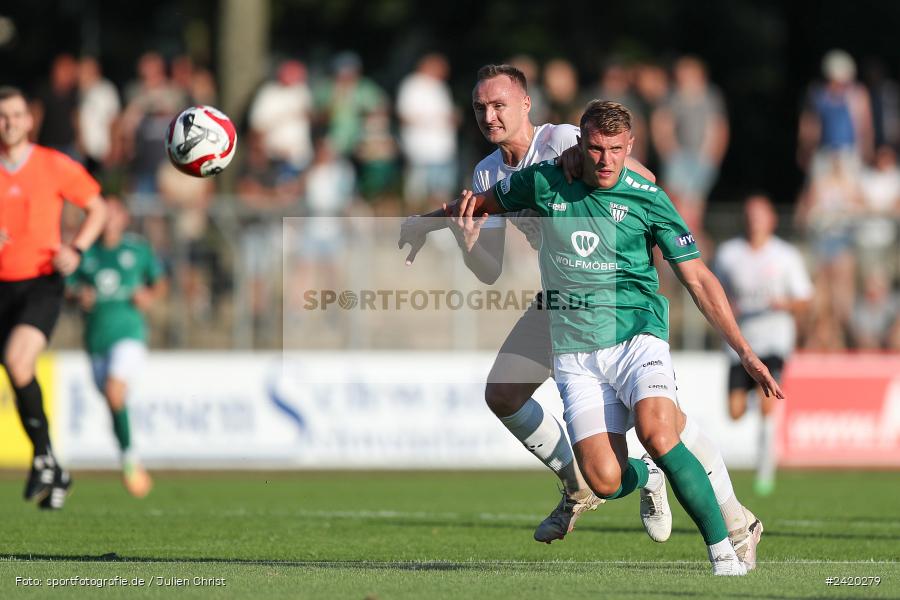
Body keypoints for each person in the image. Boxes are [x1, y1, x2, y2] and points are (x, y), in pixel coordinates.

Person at [399, 67, 764, 571]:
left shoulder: (564, 140)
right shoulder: (487, 173)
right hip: (562, 302)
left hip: (616, 300)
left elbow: (643, 181)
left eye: (500, 104)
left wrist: (585, 164)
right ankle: (584, 483)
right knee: (503, 393)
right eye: (481, 107)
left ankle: (733, 521)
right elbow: (488, 271)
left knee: (664, 427)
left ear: (527, 104)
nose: (490, 116)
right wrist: (462, 240)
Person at [0, 85, 107, 509]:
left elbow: (98, 207)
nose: (8, 123)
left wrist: (76, 248)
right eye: (1, 116)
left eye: (15, 115)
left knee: (17, 360)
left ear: (29, 120)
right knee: (17, 372)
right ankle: (51, 464)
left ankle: (45, 459)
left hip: (40, 282)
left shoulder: (52, 165)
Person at [713, 194, 812, 495]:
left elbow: (804, 300)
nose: (755, 220)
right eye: (750, 214)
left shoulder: (785, 255)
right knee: (735, 411)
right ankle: (756, 396)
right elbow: (714, 294)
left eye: (760, 215)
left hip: (774, 340)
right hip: (741, 343)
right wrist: (730, 308)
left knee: (769, 403)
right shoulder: (729, 254)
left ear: (771, 219)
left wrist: (784, 304)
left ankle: (765, 470)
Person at [69, 196, 164, 497]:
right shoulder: (86, 254)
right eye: (103, 213)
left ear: (124, 218)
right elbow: (67, 287)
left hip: (129, 334)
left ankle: (129, 461)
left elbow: (160, 282)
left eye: (114, 212)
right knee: (114, 401)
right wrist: (77, 296)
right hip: (96, 339)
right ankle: (128, 455)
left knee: (114, 391)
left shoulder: (137, 250)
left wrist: (149, 296)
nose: (109, 218)